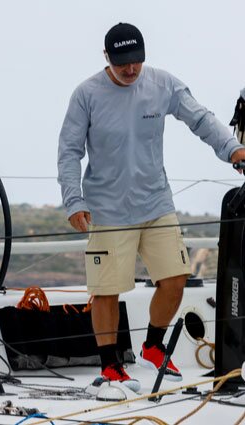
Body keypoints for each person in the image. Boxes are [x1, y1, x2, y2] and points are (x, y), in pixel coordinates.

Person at [57, 22, 245, 391]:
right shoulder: (86, 94)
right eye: (123, 62)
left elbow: (201, 118)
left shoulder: (162, 84)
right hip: (106, 209)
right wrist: (73, 200)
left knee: (176, 278)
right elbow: (68, 152)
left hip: (156, 202)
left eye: (137, 62)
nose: (131, 69)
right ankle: (111, 365)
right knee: (107, 290)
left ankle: (153, 345)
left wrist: (232, 149)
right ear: (107, 58)